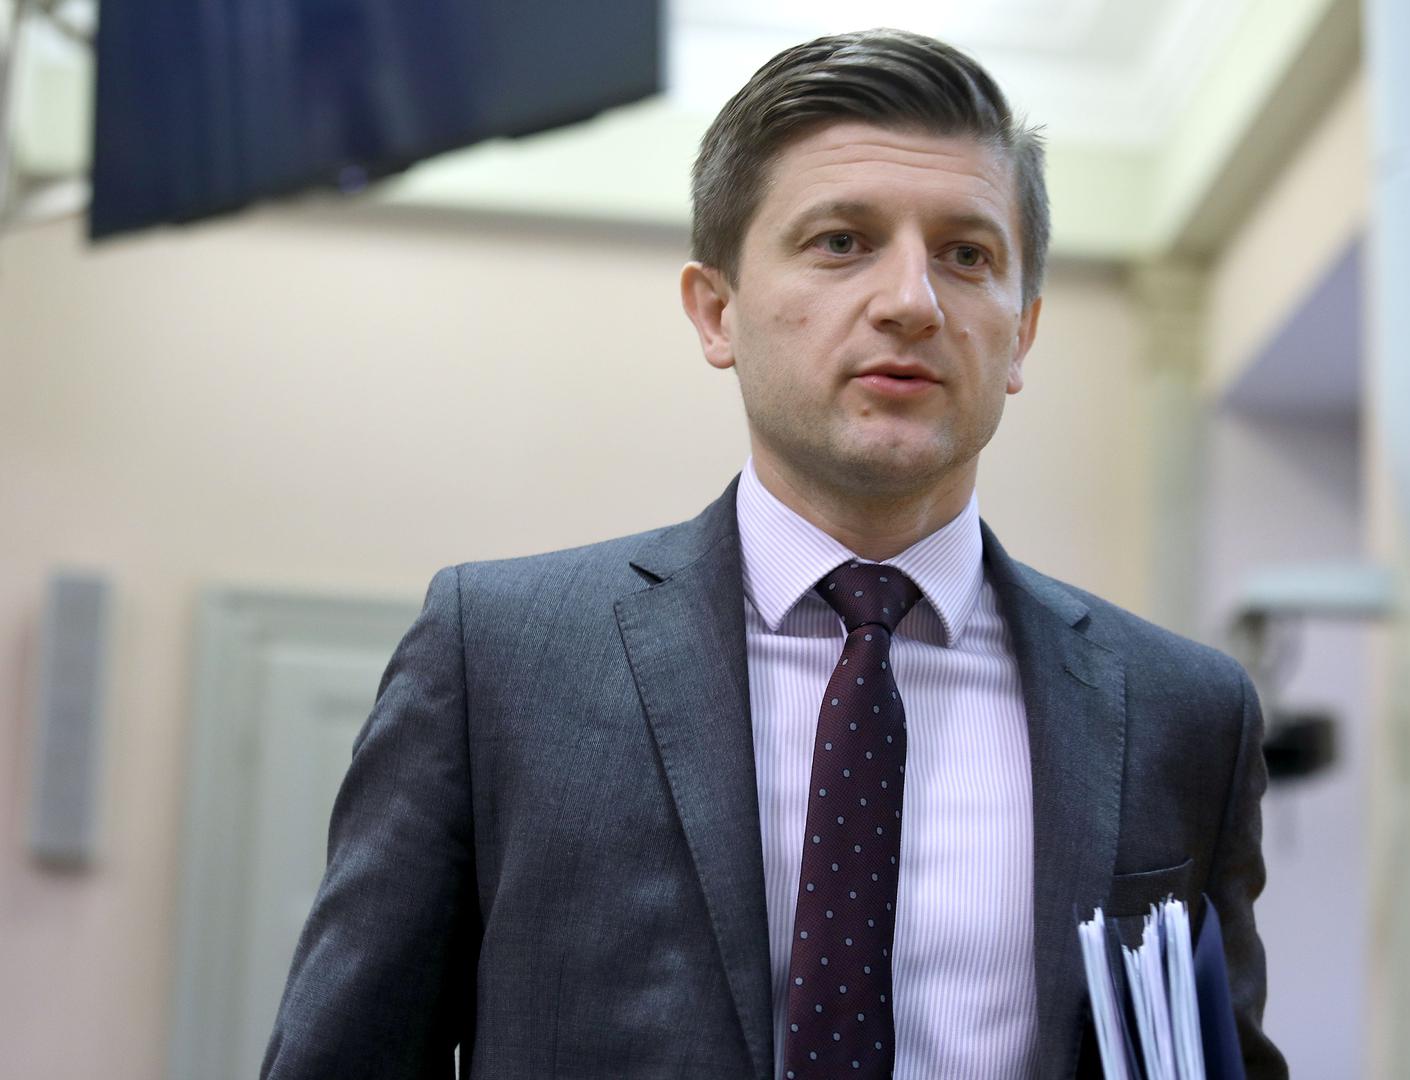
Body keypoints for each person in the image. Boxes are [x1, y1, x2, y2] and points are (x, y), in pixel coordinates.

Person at [261, 28, 1285, 1080]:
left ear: (1020, 334)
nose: (911, 301)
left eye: (966, 255)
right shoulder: (501, 658)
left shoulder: (1183, 713)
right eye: (841, 241)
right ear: (717, 313)